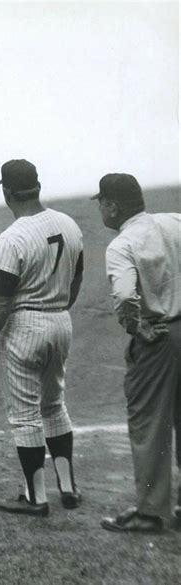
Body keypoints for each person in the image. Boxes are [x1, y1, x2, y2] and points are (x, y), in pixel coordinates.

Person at [0, 159, 84, 517]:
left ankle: (35, 498)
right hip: (60, 320)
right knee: (54, 406)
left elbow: (1, 298)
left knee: (25, 416)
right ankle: (68, 487)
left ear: (7, 192)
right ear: (37, 187)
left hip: (25, 327)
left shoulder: (13, 237)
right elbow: (77, 276)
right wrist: (59, 305)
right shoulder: (68, 223)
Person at [93, 173, 181, 533]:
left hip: (160, 337)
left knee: (148, 422)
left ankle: (149, 511)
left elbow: (126, 295)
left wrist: (135, 326)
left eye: (102, 202)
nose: (100, 208)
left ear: (112, 206)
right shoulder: (175, 220)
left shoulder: (122, 244)